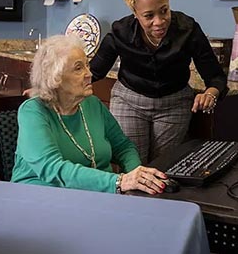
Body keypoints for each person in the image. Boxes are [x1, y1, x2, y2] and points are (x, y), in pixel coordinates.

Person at [90, 0, 228, 164]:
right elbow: (93, 71)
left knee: (162, 167)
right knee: (133, 166)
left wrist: (210, 94)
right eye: (148, 16)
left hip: (174, 104)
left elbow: (215, 77)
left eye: (164, 11)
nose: (159, 21)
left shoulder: (188, 29)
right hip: (129, 101)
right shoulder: (121, 32)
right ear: (135, 13)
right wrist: (53, 90)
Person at [11, 34, 167, 195]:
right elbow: (53, 169)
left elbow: (123, 147)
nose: (89, 74)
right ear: (55, 77)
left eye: (87, 65)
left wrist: (137, 176)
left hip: (97, 195)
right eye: (79, 68)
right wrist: (119, 181)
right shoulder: (33, 112)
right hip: (42, 198)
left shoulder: (92, 104)